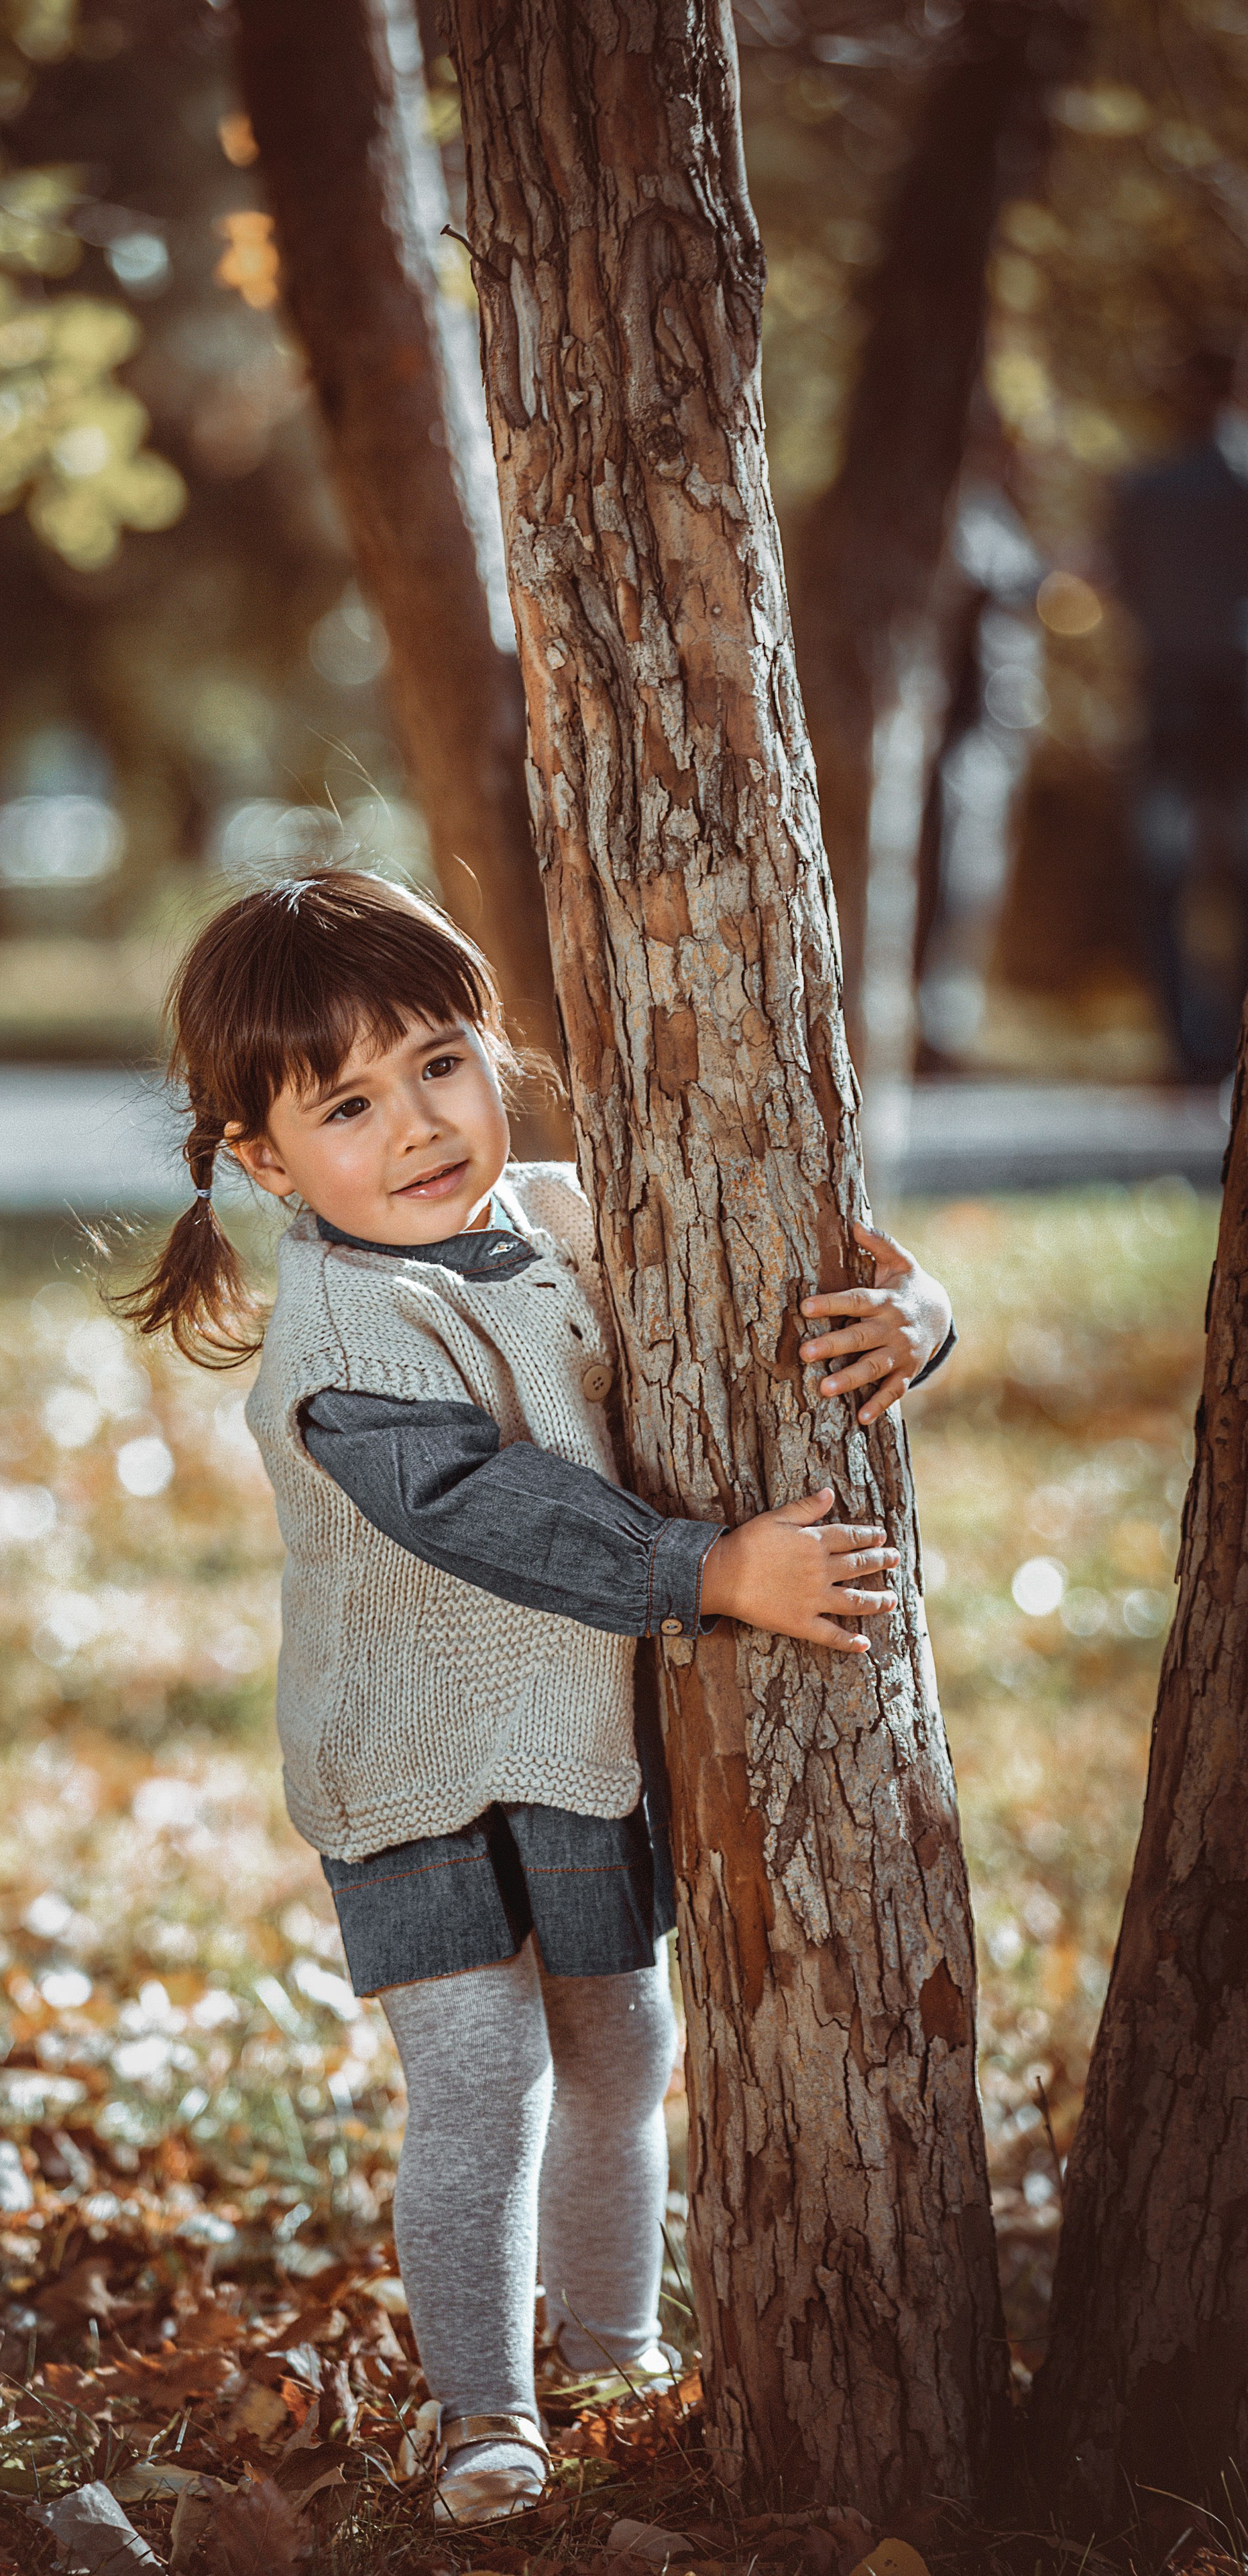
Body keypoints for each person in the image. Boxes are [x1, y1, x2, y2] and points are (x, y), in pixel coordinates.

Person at [123, 870, 955, 2530]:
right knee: (481, 2072)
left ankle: (611, 2350)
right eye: (348, 1102)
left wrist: (918, 1318)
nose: (422, 1122)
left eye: (440, 1059)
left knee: (620, 2041)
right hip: (409, 1762)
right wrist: (707, 1571)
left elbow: (822, 1271)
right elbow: (481, 1508)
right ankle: (484, 2414)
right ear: (263, 1159)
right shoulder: (346, 1334)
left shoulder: (572, 1211)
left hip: (571, 1740)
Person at [1111, 347, 1248, 1081]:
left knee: (1164, 872)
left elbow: (1124, 588)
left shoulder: (1141, 490)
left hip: (1168, 702)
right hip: (1238, 706)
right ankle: (1228, 1041)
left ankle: (1182, 1045)